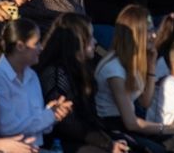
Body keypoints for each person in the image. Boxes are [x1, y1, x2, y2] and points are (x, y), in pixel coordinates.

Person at [94, 5, 174, 153]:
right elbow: (131, 123)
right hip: (114, 127)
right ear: (136, 34)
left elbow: (145, 102)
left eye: (153, 29)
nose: (154, 35)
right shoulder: (114, 69)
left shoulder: (133, 62)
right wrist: (165, 128)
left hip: (130, 125)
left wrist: (151, 65)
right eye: (148, 31)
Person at [37, 13, 131, 153]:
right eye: (90, 37)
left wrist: (109, 138)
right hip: (59, 142)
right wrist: (107, 144)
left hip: (83, 137)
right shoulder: (55, 73)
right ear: (77, 41)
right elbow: (66, 124)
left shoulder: (81, 68)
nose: (95, 41)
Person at [0, 19, 74, 147]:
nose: (41, 47)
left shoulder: (32, 75)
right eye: (36, 43)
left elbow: (39, 127)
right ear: (20, 46)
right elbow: (7, 127)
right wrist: (49, 115)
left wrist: (54, 113)